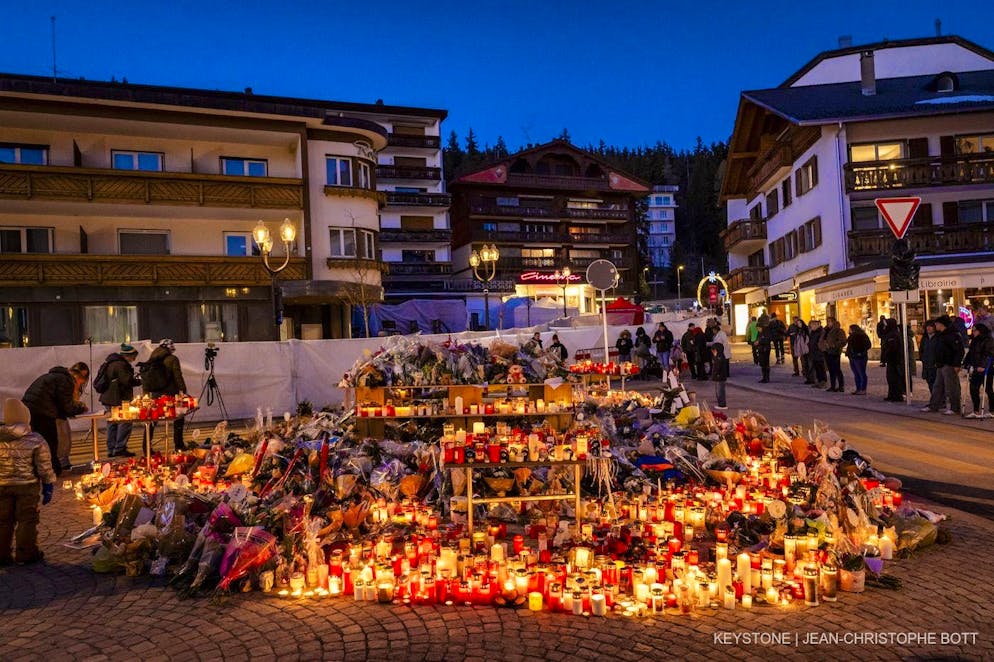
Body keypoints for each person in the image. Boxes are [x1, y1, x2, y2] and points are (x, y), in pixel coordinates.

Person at [0, 398, 57, 566]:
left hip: (2, 486)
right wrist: (48, 484)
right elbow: (44, 465)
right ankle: (26, 553)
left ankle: (2, 555)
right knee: (27, 520)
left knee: (3, 520)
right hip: (27, 486)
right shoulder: (35, 439)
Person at [22, 362, 89, 474]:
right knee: (50, 442)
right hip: (42, 412)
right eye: (81, 381)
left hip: (30, 409)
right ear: (76, 377)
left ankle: (43, 470)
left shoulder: (55, 377)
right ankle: (52, 471)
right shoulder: (66, 381)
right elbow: (67, 406)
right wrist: (81, 408)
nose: (80, 384)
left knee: (38, 442)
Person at [97, 343, 142, 457]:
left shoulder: (111, 362)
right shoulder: (121, 365)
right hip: (118, 398)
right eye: (133, 356)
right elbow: (126, 381)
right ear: (128, 355)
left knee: (112, 423)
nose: (134, 359)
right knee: (125, 422)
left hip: (109, 397)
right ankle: (120, 448)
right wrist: (139, 380)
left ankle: (111, 449)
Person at [144, 340, 188, 451]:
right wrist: (183, 391)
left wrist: (146, 394)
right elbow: (178, 376)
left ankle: (146, 447)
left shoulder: (152, 358)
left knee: (152, 420)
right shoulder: (172, 359)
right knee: (179, 417)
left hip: (155, 394)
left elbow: (146, 378)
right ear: (170, 349)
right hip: (171, 394)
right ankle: (179, 444)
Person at [921, 315, 964, 415]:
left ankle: (955, 407)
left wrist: (957, 364)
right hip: (941, 364)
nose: (935, 326)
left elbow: (958, 350)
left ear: (942, 324)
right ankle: (934, 405)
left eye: (937, 324)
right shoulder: (941, 335)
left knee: (951, 386)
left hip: (949, 364)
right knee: (937, 386)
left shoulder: (952, 335)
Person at [963, 323, 994, 418]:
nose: (973, 332)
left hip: (986, 369)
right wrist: (966, 363)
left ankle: (992, 410)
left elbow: (989, 354)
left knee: (988, 389)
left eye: (975, 330)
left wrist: (984, 366)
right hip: (976, 368)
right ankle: (975, 410)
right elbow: (971, 353)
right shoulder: (974, 341)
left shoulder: (989, 341)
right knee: (973, 388)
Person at [879, 319, 905, 401]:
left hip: (894, 359)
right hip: (891, 359)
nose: (885, 326)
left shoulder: (893, 334)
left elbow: (893, 348)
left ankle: (896, 395)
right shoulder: (891, 333)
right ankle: (892, 394)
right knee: (890, 378)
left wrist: (887, 354)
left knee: (894, 378)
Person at [821, 317, 847, 392]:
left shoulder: (838, 330)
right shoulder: (825, 330)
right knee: (831, 370)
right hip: (827, 351)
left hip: (834, 352)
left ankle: (841, 386)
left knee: (837, 369)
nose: (828, 323)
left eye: (829, 321)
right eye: (827, 321)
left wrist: (833, 345)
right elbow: (822, 339)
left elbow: (843, 341)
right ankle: (833, 386)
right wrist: (822, 345)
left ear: (833, 322)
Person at [845, 324, 872, 395]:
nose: (849, 330)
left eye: (850, 329)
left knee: (861, 373)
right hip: (853, 356)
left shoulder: (861, 336)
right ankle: (859, 388)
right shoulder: (851, 336)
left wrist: (860, 352)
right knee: (856, 373)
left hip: (859, 357)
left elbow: (868, 345)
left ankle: (862, 389)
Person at [807, 320, 828, 388]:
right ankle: (819, 381)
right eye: (811, 326)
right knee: (817, 368)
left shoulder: (821, 332)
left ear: (817, 325)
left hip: (819, 353)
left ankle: (823, 382)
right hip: (814, 353)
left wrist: (820, 349)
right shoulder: (813, 332)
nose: (811, 327)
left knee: (821, 368)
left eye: (812, 325)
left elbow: (821, 342)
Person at [919, 321, 938, 393]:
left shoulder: (937, 338)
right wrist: (922, 358)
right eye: (927, 326)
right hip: (926, 364)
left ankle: (938, 400)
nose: (928, 328)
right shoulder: (925, 338)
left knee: (936, 383)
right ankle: (934, 399)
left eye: (930, 326)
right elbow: (921, 349)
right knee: (929, 381)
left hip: (935, 364)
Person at [711, 344, 729, 410]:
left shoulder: (719, 357)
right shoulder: (719, 356)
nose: (713, 352)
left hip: (720, 377)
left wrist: (714, 375)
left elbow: (717, 368)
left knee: (720, 391)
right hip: (719, 377)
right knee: (718, 391)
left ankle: (722, 405)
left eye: (713, 351)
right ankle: (720, 404)